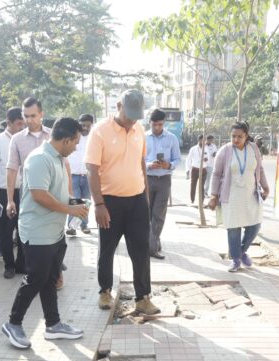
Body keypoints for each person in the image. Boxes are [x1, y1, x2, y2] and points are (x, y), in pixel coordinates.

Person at [1, 118, 90, 349]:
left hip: (54, 231)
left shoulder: (58, 159)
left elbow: (57, 193)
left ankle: (53, 324)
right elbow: (39, 196)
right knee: (36, 279)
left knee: (50, 278)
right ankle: (13, 323)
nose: (76, 147)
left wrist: (75, 203)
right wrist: (70, 210)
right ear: (66, 140)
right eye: (75, 142)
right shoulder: (40, 159)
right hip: (37, 231)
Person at [85, 89, 160, 316]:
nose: (132, 122)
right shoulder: (99, 131)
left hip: (137, 200)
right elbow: (92, 170)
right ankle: (105, 291)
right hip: (109, 202)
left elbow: (141, 163)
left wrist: (145, 197)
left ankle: (143, 298)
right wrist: (99, 204)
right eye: (129, 116)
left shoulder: (139, 130)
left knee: (141, 250)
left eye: (136, 117)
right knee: (107, 249)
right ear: (118, 106)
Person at [208, 121, 269, 272]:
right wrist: (213, 196)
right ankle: (236, 260)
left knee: (255, 225)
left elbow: (260, 169)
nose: (235, 139)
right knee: (233, 228)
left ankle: (241, 251)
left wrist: (266, 187)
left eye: (239, 136)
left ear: (246, 136)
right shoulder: (225, 150)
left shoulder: (253, 148)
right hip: (231, 196)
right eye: (233, 136)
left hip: (251, 194)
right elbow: (216, 174)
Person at [4, 97, 51, 280]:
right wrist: (10, 200)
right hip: (28, 196)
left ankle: (52, 271)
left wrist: (68, 194)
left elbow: (64, 166)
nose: (29, 120)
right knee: (30, 236)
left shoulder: (52, 136)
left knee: (52, 234)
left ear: (41, 114)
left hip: (52, 194)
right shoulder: (17, 140)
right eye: (26, 116)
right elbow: (11, 170)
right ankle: (33, 274)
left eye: (33, 115)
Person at [0, 107, 26, 272]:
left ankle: (21, 264)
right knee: (6, 231)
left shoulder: (24, 140)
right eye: (19, 124)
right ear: (9, 122)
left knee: (23, 229)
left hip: (22, 191)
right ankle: (9, 265)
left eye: (23, 124)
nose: (22, 127)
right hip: (2, 192)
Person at [144, 108, 181, 259]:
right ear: (150, 123)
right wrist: (149, 165)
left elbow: (177, 159)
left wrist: (169, 165)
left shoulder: (172, 138)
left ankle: (151, 248)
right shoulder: (143, 138)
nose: (157, 127)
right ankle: (154, 243)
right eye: (154, 125)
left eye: (160, 124)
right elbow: (138, 159)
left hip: (164, 180)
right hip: (147, 179)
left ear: (164, 123)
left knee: (158, 215)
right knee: (146, 214)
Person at [66, 113, 94, 235]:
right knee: (74, 201)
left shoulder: (94, 138)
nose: (85, 128)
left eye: (88, 125)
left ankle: (84, 225)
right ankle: (72, 227)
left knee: (86, 201)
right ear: (79, 124)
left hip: (88, 176)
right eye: (83, 125)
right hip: (73, 175)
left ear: (92, 125)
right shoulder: (73, 137)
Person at [185, 135, 210, 205]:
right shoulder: (193, 149)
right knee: (193, 185)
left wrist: (206, 160)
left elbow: (209, 159)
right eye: (202, 140)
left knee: (202, 186)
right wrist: (187, 170)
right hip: (195, 169)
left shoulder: (206, 149)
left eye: (205, 140)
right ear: (199, 140)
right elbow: (188, 159)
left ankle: (201, 201)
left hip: (203, 169)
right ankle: (192, 200)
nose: (204, 142)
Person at [203, 134, 218, 200]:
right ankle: (201, 191)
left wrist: (215, 154)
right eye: (210, 140)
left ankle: (205, 192)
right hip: (203, 165)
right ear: (207, 139)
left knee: (208, 179)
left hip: (210, 165)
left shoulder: (213, 146)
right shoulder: (203, 145)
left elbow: (216, 153)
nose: (211, 141)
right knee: (203, 179)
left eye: (212, 140)